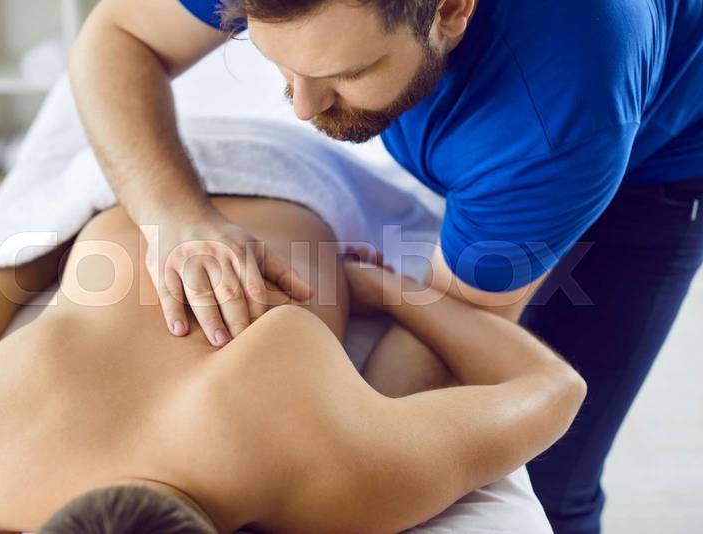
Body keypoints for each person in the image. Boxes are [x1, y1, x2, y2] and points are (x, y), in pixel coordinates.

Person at [68, 1, 703, 531]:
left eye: (347, 72)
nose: (302, 107)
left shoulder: (554, 120)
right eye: (275, 60)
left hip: (663, 163)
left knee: (556, 476)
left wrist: (343, 456)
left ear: (450, 10)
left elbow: (467, 338)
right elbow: (118, 35)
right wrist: (176, 217)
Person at [0, 197, 586, 533]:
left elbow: (553, 388)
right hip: (123, 194)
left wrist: (388, 291)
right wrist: (45, 255)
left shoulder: (342, 477)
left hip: (275, 164)